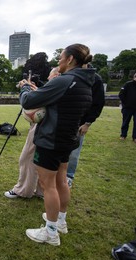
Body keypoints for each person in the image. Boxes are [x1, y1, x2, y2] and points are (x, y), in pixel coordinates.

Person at [20, 44, 94, 246]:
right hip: (68, 139)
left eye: (61, 57)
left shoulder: (65, 80)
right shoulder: (85, 82)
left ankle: (50, 232)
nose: (59, 61)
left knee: (48, 185)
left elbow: (29, 101)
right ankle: (60, 221)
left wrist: (25, 88)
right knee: (62, 180)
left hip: (51, 140)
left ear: (70, 59)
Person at [4, 67, 60, 199]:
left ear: (57, 76)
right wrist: (37, 90)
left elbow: (28, 102)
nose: (48, 79)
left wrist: (25, 89)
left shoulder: (59, 84)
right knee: (44, 161)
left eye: (50, 76)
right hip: (57, 130)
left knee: (27, 158)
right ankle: (41, 191)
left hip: (43, 127)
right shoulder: (68, 86)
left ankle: (23, 190)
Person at [66, 67, 105, 188]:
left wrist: (88, 123)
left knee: (74, 152)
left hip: (80, 122)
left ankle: (69, 176)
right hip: (64, 120)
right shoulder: (68, 74)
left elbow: (98, 102)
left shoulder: (95, 79)